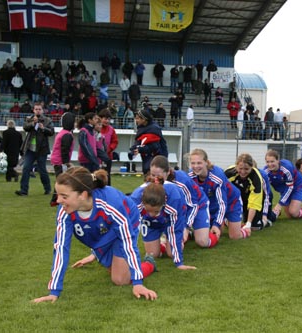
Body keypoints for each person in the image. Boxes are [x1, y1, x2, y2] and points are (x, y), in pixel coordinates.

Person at [32, 167, 157, 303]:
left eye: (64, 196)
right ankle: (106, 257)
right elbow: (61, 248)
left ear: (83, 195)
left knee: (120, 279)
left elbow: (128, 242)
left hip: (128, 221)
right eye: (58, 195)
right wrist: (54, 291)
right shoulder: (64, 211)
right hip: (105, 229)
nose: (58, 201)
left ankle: (149, 263)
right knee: (114, 269)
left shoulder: (111, 204)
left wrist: (138, 283)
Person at [150, 155, 218, 249]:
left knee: (202, 242)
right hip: (179, 209)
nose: (155, 179)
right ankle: (187, 234)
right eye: (153, 175)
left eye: (159, 175)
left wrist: (186, 227)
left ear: (168, 172)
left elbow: (193, 205)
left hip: (198, 205)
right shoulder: (152, 183)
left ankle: (213, 235)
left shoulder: (181, 182)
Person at [129, 175, 196, 270]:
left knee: (171, 253)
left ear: (163, 203)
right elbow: (131, 231)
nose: (152, 214)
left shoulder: (174, 201)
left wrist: (179, 263)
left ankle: (186, 234)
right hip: (149, 223)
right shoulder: (135, 201)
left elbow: (174, 231)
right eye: (148, 210)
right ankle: (163, 242)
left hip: (168, 220)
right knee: (153, 254)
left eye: (156, 211)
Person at [188, 148, 250, 240]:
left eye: (199, 163)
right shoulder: (190, 176)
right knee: (216, 233)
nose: (196, 166)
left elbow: (222, 203)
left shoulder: (217, 176)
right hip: (213, 203)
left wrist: (216, 224)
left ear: (206, 162)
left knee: (234, 236)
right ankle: (224, 221)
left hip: (231, 201)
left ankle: (245, 231)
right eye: (193, 163)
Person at [225, 153, 277, 230]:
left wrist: (249, 223)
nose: (243, 172)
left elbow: (255, 202)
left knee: (255, 227)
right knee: (232, 223)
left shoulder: (257, 177)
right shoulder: (229, 173)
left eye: (246, 169)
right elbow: (222, 193)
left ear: (252, 167)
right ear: (236, 166)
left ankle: (273, 215)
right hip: (241, 196)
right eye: (240, 168)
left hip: (262, 198)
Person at [15, 102, 54, 196]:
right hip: (30, 149)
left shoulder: (47, 120)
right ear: (33, 110)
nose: (38, 111)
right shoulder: (30, 119)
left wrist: (43, 128)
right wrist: (33, 123)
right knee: (26, 168)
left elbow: (51, 132)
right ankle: (24, 190)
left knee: (42, 170)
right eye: (36, 109)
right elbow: (25, 127)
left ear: (42, 110)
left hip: (42, 149)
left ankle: (47, 189)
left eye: (39, 109)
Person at [263, 149, 302, 219]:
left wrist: (279, 204)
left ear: (278, 160)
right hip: (284, 190)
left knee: (293, 212)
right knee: (289, 216)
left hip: (298, 187)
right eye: (267, 162)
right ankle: (275, 213)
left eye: (272, 161)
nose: (270, 164)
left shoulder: (286, 168)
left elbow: (290, 187)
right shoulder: (265, 171)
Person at [49, 112, 75, 206]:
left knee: (60, 180)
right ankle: (55, 200)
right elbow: (65, 150)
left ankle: (55, 199)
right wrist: (66, 163)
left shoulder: (63, 133)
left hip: (57, 160)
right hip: (61, 162)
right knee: (62, 181)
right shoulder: (67, 135)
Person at [98, 109, 118, 185]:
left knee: (107, 176)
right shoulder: (96, 128)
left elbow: (115, 141)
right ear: (100, 118)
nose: (107, 121)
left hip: (107, 157)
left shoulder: (111, 130)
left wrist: (109, 149)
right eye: (105, 119)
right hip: (97, 157)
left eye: (109, 119)